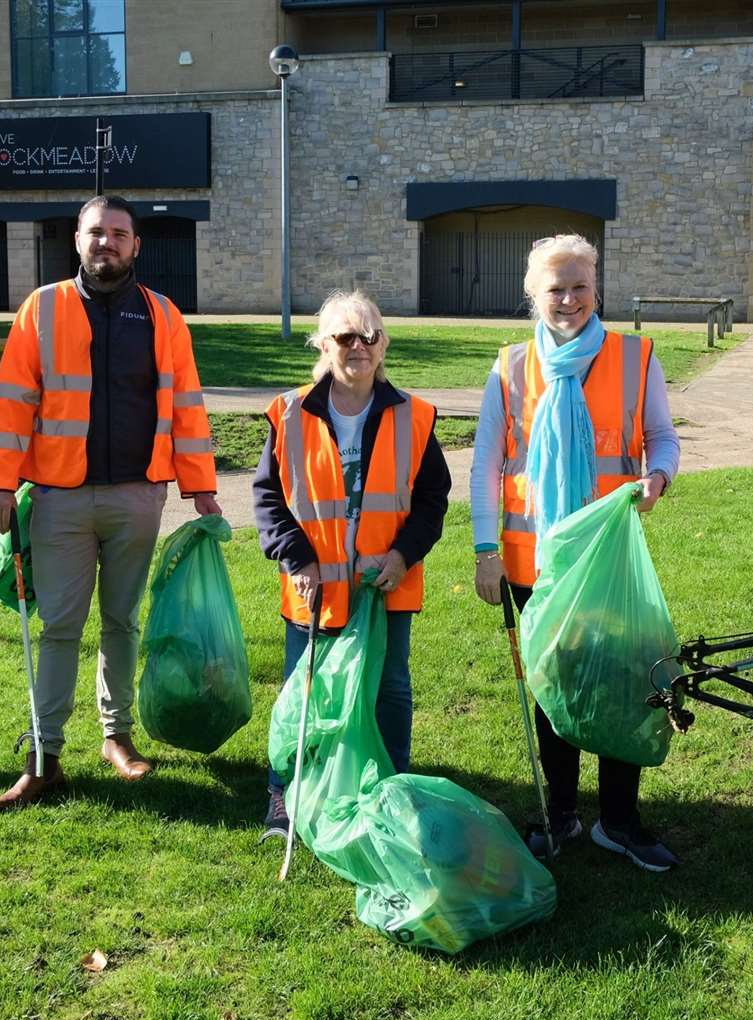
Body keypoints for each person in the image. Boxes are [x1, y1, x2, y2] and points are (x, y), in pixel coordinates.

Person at [0, 195, 221, 810]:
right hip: (59, 498)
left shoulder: (163, 315)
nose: (106, 243)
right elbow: (10, 405)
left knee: (122, 621)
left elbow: (187, 405)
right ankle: (45, 756)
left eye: (118, 233)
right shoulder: (44, 307)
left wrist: (201, 487)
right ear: (77, 241)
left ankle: (118, 738)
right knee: (59, 628)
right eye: (96, 232)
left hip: (138, 495)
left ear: (136, 245)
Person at [470, 234, 682, 871]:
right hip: (537, 563)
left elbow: (662, 440)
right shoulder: (509, 366)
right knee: (552, 686)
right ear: (534, 294)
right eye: (555, 288)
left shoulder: (637, 356)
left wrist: (659, 479)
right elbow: (484, 465)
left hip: (608, 561)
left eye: (580, 286)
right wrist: (486, 551)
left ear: (598, 288)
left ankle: (619, 819)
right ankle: (561, 814)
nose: (568, 300)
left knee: (624, 683)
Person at [251, 290, 450, 838]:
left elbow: (433, 499)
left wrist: (404, 554)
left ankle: (391, 788)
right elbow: (268, 497)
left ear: (383, 344)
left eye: (369, 336)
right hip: (312, 590)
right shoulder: (289, 412)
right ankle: (285, 794)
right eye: (345, 336)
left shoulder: (415, 415)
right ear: (323, 344)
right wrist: (296, 558)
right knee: (303, 691)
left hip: (385, 587)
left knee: (389, 690)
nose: (358, 346)